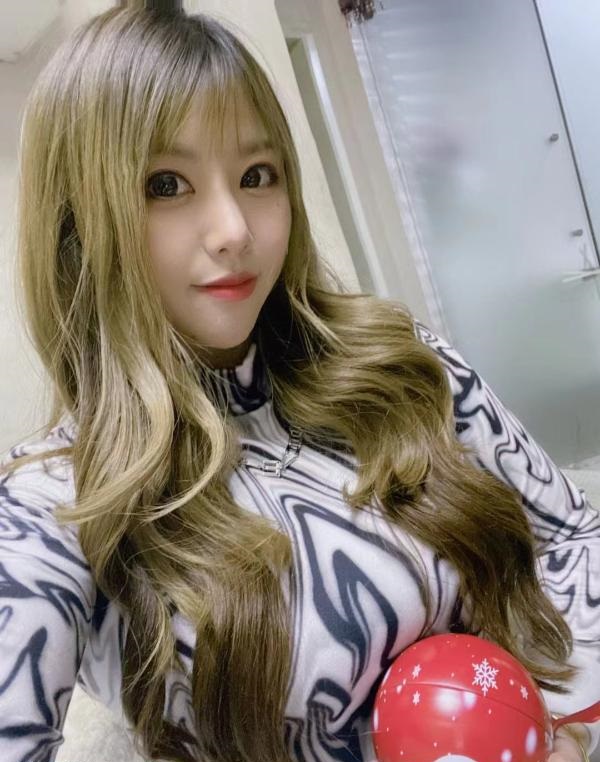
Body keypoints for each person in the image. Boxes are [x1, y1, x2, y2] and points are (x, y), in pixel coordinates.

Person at [0, 4, 598, 762]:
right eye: (166, 184)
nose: (234, 230)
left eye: (257, 176)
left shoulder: (395, 360)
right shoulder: (56, 504)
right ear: (78, 226)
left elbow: (571, 534)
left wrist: (565, 725)